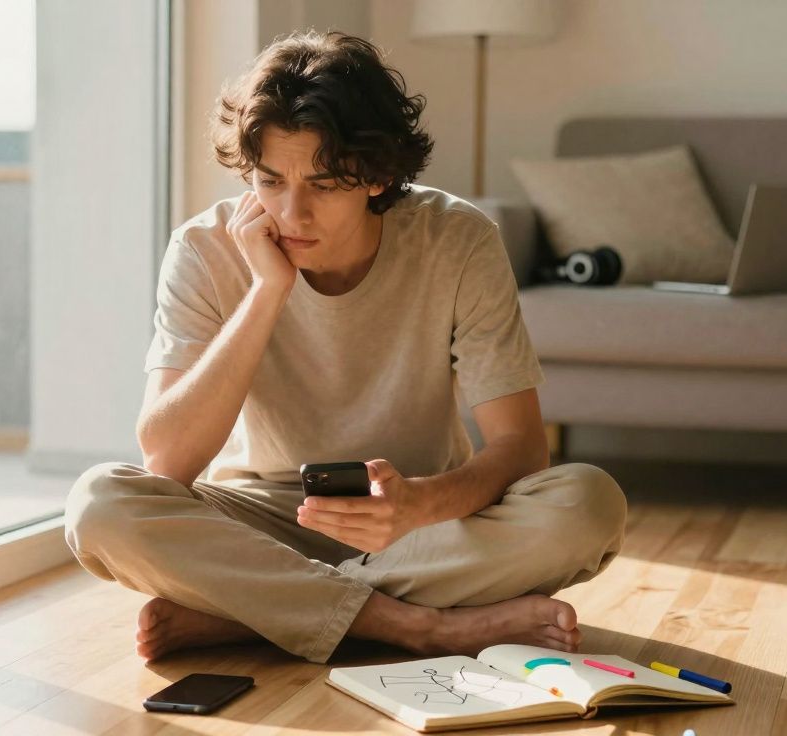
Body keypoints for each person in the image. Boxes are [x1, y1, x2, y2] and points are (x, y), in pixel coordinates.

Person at [64, 31, 626, 665]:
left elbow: (522, 449)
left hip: (423, 525)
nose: (291, 215)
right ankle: (415, 627)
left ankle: (253, 615)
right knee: (99, 504)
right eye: (270, 181)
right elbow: (165, 460)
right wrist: (266, 293)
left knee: (588, 502)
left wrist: (419, 504)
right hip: (265, 522)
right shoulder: (204, 248)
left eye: (324, 185)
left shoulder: (458, 239)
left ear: (379, 176)